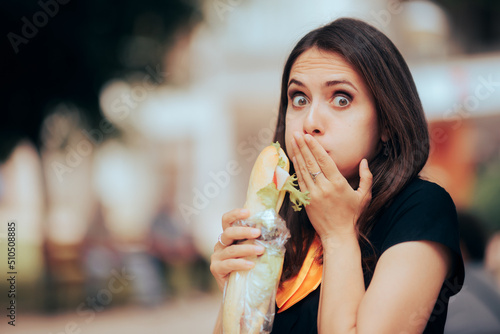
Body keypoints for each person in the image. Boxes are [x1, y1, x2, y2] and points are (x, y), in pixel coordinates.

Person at [210, 17, 464, 334]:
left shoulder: (421, 207)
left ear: (386, 122)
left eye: (341, 98)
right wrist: (235, 289)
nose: (311, 121)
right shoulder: (283, 218)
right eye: (299, 98)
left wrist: (338, 235)